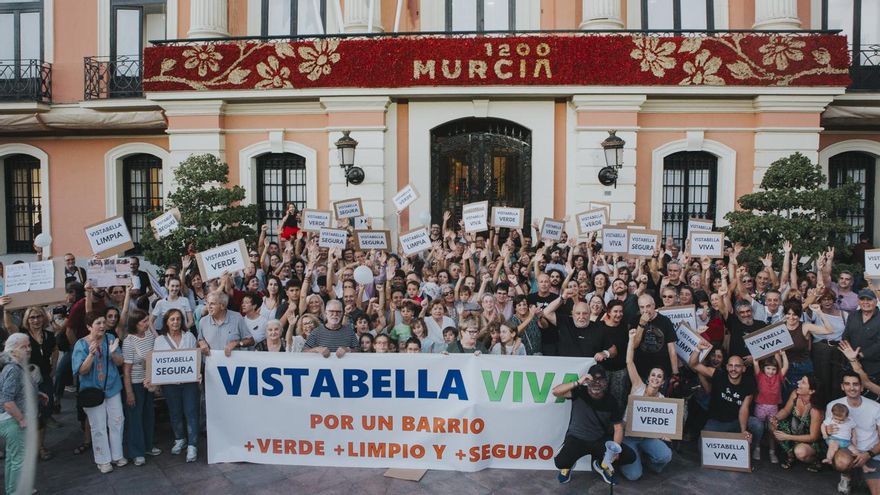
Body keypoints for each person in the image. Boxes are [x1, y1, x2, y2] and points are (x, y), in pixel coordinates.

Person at [551, 364, 637, 487]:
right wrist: (578, 382)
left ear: (605, 383)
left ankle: (600, 464)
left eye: (600, 381)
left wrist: (615, 449)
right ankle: (568, 466)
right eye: (593, 380)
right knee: (561, 462)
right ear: (587, 381)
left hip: (598, 440)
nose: (596, 384)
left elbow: (618, 428)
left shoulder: (611, 401)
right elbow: (556, 391)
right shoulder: (579, 392)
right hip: (576, 439)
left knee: (629, 456)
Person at [72, 311, 126, 473]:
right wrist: (91, 355)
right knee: (98, 426)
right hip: (92, 391)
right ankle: (103, 460)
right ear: (89, 326)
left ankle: (117, 455)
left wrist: (113, 352)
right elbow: (81, 370)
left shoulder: (110, 339)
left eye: (103, 322)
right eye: (98, 323)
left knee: (117, 421)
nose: (102, 326)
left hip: (112, 387)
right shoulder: (81, 344)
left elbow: (120, 362)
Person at [620, 328, 672, 481]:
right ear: (648, 378)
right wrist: (631, 339)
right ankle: (633, 457)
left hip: (647, 437)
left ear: (662, 382)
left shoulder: (663, 400)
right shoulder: (637, 386)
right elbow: (629, 361)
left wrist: (665, 435)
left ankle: (648, 460)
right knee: (634, 476)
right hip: (628, 436)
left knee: (666, 456)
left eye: (659, 376)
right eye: (653, 375)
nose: (656, 378)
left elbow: (664, 425)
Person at [151, 309, 199, 463]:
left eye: (178, 319)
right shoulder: (160, 341)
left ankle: (192, 444)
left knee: (191, 412)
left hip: (189, 383)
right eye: (172, 319)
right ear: (166, 321)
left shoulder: (189, 336)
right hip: (170, 384)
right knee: (175, 412)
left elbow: (194, 358)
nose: (176, 322)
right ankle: (179, 438)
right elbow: (158, 363)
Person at [0, 333, 45, 494]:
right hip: (13, 421)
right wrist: (21, 419)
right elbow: (7, 400)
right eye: (23, 347)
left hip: (11, 420)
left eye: (29, 346)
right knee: (19, 460)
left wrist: (37, 394)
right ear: (12, 352)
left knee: (13, 459)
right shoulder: (13, 369)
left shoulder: (16, 366)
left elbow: (16, 392)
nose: (28, 349)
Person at [825, 372, 880, 495]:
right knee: (842, 462)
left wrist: (868, 454)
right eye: (847, 384)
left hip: (871, 452)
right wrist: (827, 433)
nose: (851, 388)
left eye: (855, 384)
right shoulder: (833, 406)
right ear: (842, 387)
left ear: (862, 387)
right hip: (847, 449)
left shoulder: (876, 407)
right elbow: (830, 434)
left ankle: (861, 475)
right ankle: (846, 475)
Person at [689, 341, 755, 438]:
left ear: (743, 369)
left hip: (737, 421)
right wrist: (698, 348)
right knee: (703, 445)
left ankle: (749, 449)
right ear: (727, 367)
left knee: (757, 425)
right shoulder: (718, 375)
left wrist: (743, 431)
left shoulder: (749, 383)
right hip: (717, 422)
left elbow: (744, 409)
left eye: (737, 366)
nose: (733, 369)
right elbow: (693, 364)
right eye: (731, 366)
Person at [122, 309, 161, 466]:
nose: (146, 323)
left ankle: (148, 446)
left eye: (147, 320)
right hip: (136, 383)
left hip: (149, 382)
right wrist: (129, 392)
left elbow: (158, 345)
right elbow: (126, 370)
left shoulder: (150, 336)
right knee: (135, 418)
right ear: (134, 324)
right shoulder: (129, 341)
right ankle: (136, 452)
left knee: (148, 415)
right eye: (143, 321)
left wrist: (151, 326)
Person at [770, 374, 826, 472]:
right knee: (772, 426)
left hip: (810, 441)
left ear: (811, 391)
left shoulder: (815, 410)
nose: (798, 383)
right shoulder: (795, 394)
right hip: (795, 430)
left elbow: (813, 437)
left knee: (800, 452)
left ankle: (816, 461)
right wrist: (776, 418)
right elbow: (786, 411)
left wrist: (787, 437)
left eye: (803, 382)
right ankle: (790, 455)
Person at [750, 352, 788, 463]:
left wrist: (783, 355)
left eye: (773, 369)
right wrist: (755, 354)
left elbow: (785, 366)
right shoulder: (760, 376)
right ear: (763, 368)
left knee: (772, 430)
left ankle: (772, 452)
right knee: (759, 429)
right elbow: (755, 362)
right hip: (760, 407)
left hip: (773, 408)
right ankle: (757, 448)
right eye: (768, 368)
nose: (770, 371)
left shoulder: (779, 377)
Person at [631, 294, 678, 380]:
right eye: (642, 307)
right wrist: (641, 324)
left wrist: (675, 373)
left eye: (648, 306)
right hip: (641, 371)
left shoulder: (665, 321)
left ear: (654, 305)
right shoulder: (635, 321)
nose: (645, 310)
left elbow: (672, 349)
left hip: (661, 371)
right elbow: (634, 345)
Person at [197, 292, 255, 357]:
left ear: (223, 306)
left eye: (212, 304)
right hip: (211, 364)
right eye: (207, 303)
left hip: (232, 364)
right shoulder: (203, 321)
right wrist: (201, 343)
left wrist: (237, 343)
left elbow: (251, 341)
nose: (208, 307)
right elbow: (200, 339)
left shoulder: (237, 318)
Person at [842, 289, 880, 386]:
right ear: (858, 301)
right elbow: (845, 336)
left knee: (872, 395)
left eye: (869, 300)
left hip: (873, 367)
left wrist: (860, 355)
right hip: (851, 364)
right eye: (862, 299)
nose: (865, 302)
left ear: (876, 301)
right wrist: (850, 354)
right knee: (851, 392)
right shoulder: (852, 316)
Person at [822, 404, 862, 469]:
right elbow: (823, 426)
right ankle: (829, 459)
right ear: (832, 414)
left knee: (857, 452)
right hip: (834, 439)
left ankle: (864, 467)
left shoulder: (850, 421)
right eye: (836, 419)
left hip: (846, 442)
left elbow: (853, 433)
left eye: (842, 420)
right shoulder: (830, 419)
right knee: (833, 447)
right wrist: (824, 434)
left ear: (847, 416)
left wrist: (854, 443)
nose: (838, 422)